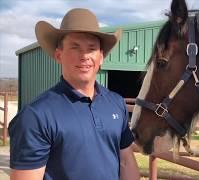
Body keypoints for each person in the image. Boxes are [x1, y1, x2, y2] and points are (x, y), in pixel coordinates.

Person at [9, 8, 140, 180]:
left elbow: (126, 161)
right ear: (58, 55)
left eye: (91, 48)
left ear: (101, 57)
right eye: (75, 47)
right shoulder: (36, 115)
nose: (84, 56)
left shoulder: (115, 103)